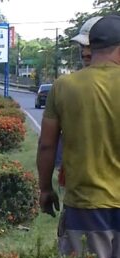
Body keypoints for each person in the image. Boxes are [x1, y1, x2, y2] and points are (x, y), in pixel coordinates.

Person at [37, 15, 120, 258]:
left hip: (85, 206)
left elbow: (47, 145)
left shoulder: (63, 86)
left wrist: (45, 189)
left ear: (90, 47)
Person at [55, 16, 102, 185]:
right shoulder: (67, 85)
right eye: (82, 46)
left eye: (91, 47)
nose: (85, 53)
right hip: (80, 187)